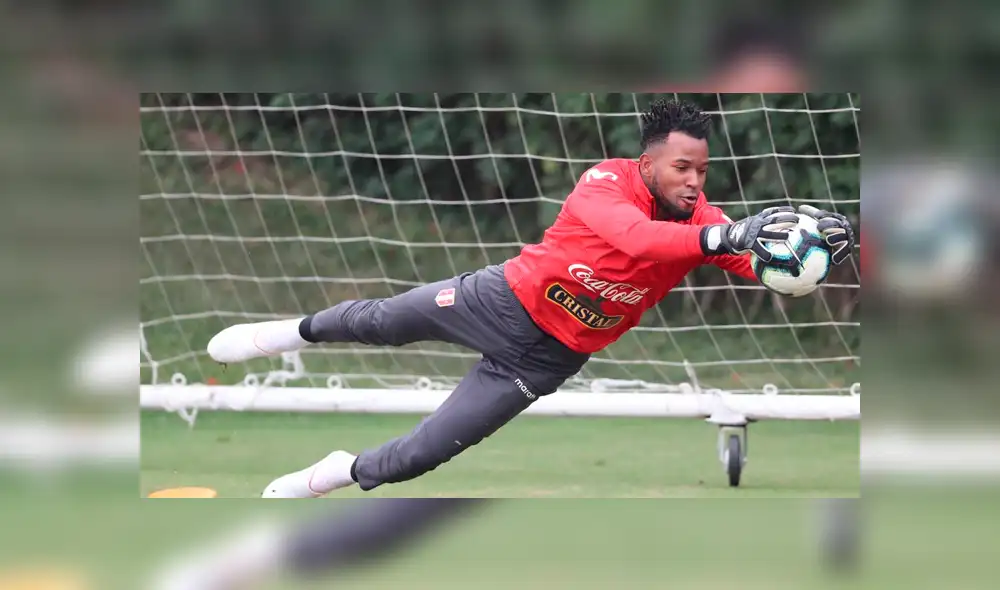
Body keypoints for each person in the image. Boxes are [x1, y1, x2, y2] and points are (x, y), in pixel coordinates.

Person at [206, 99, 855, 498]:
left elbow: (746, 256)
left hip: (543, 361)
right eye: (683, 168)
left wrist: (810, 253)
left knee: (423, 453)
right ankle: (290, 333)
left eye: (703, 172)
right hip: (500, 301)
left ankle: (337, 472)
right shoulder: (606, 183)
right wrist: (722, 233)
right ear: (648, 164)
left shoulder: (701, 217)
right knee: (380, 321)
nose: (694, 181)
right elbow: (638, 241)